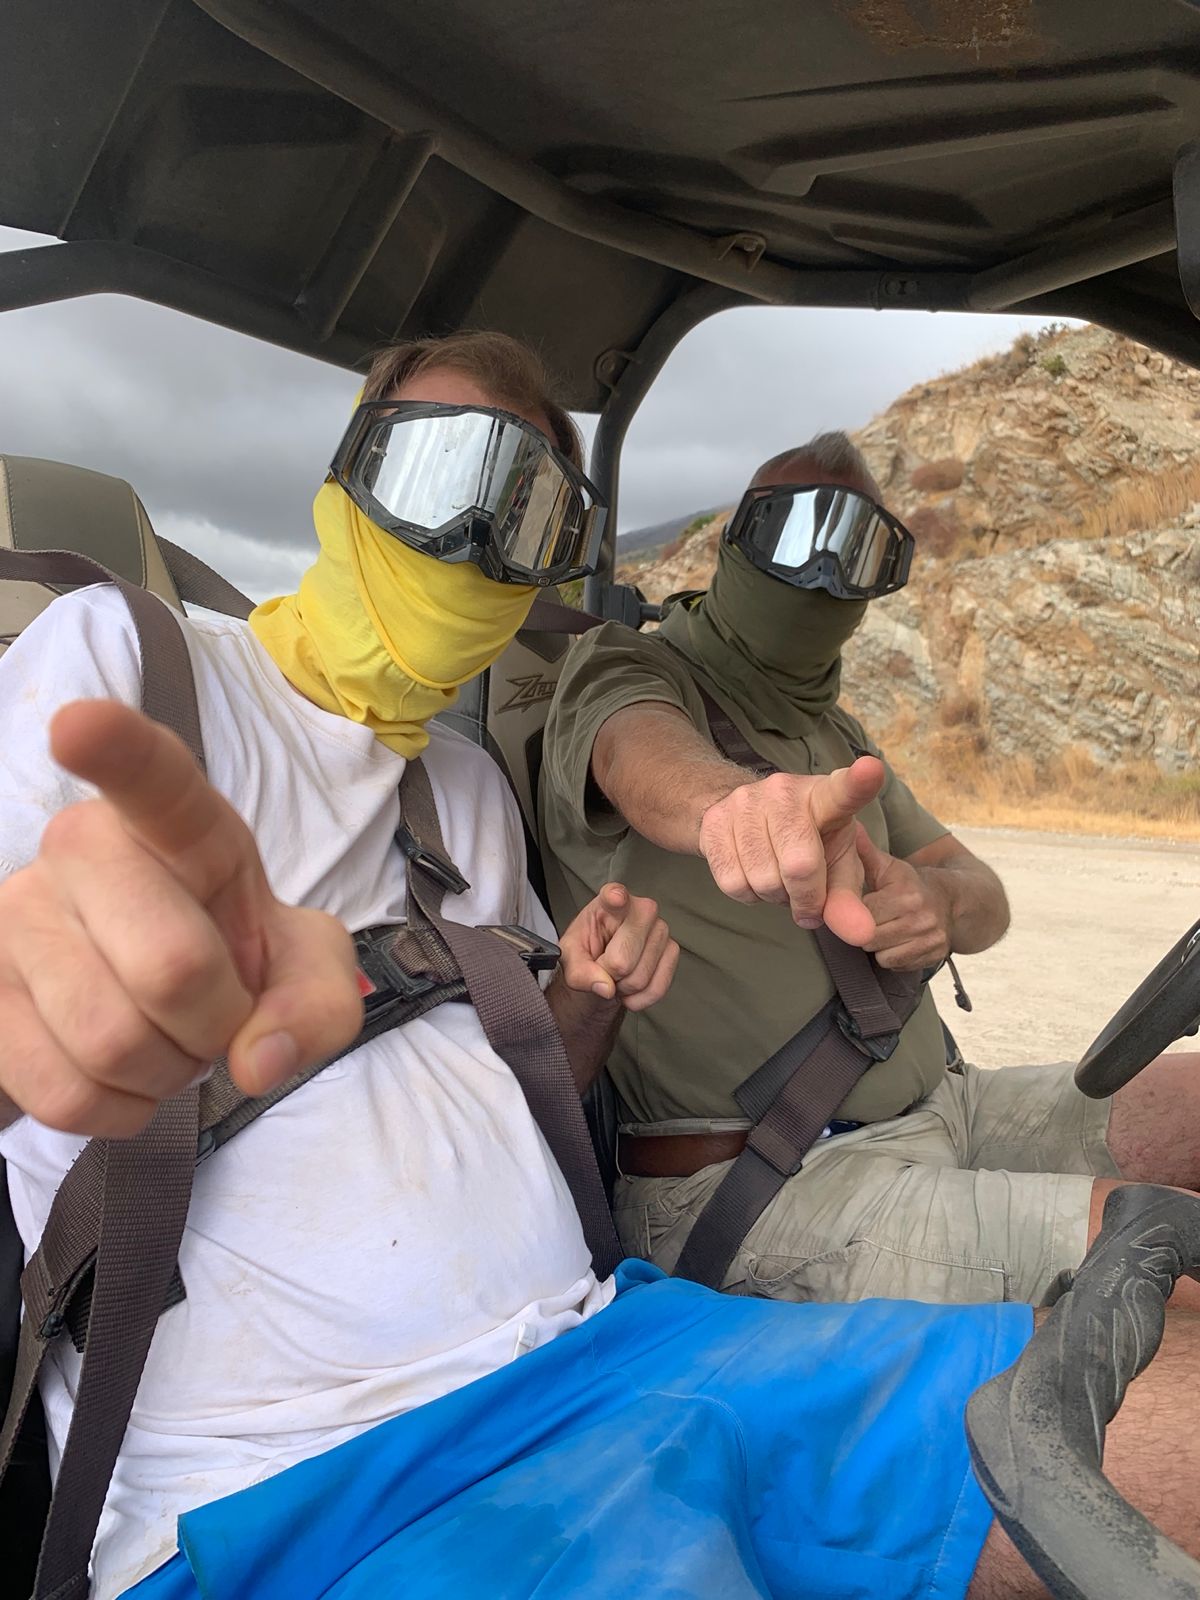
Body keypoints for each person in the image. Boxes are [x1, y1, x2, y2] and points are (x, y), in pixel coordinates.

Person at [0, 340, 1194, 1600]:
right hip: (298, 1480)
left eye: (526, 515)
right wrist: (58, 991)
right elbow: (642, 747)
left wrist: (584, 998)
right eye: (438, 468)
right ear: (349, 467)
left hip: (616, 1348)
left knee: (1151, 1384)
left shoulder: (460, 788)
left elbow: (529, 1097)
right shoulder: (135, 664)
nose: (471, 536)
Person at [538, 430, 1200, 1311]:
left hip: (950, 1108)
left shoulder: (835, 733)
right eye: (789, 530)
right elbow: (635, 751)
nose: (819, 571)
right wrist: (740, 809)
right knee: (1163, 1262)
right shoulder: (630, 667)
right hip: (768, 1176)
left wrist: (938, 902)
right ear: (734, 542)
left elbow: (982, 893)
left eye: (858, 548)